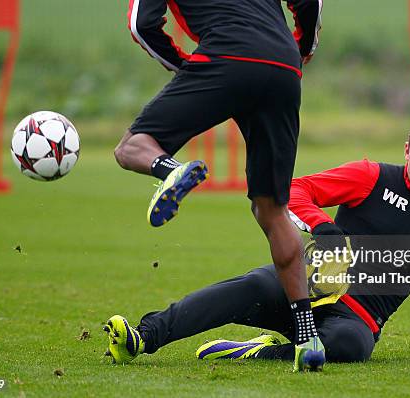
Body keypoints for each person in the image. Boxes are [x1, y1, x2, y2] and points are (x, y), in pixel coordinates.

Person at [103, 116, 410, 366]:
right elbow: (294, 190)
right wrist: (323, 226)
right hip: (305, 288)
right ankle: (143, 337)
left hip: (354, 321)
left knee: (353, 349)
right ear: (406, 149)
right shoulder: (369, 175)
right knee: (250, 287)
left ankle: (262, 353)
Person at [108, 0, 325, 371]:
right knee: (273, 212)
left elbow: (142, 24)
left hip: (226, 55)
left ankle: (171, 169)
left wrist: (185, 67)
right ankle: (308, 340)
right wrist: (299, 50)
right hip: (283, 66)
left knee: (132, 147)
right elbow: (309, 3)